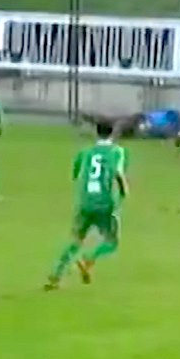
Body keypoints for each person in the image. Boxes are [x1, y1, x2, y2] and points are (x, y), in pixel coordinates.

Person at [45, 121, 129, 290]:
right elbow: (118, 173)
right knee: (111, 242)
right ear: (113, 133)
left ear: (96, 133)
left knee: (76, 239)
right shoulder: (117, 151)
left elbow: (75, 174)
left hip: (85, 202)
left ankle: (56, 274)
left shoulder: (85, 152)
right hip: (105, 203)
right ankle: (88, 258)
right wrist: (123, 191)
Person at [79, 108, 180, 140]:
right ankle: (90, 118)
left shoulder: (173, 126)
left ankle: (110, 136)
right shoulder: (172, 117)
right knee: (114, 121)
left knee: (118, 122)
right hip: (142, 120)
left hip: (141, 123)